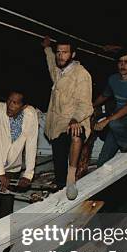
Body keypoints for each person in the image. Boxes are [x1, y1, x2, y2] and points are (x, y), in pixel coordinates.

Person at [41, 36, 93, 200]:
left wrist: (75, 119)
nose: (60, 56)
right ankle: (61, 190)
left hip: (75, 122)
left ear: (73, 54)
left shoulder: (82, 75)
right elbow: (51, 65)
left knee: (76, 135)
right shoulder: (58, 71)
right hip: (57, 125)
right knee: (59, 170)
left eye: (64, 52)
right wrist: (47, 48)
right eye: (58, 52)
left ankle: (72, 177)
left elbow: (85, 104)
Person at [0, 90, 38, 224]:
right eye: (8, 101)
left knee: (7, 204)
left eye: (15, 103)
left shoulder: (31, 114)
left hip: (14, 166)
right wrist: (0, 173)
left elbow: (32, 144)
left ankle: (5, 241)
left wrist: (28, 174)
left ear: (24, 106)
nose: (9, 105)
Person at [93, 49, 127, 167]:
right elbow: (104, 96)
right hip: (117, 123)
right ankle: (123, 144)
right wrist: (91, 106)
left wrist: (107, 120)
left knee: (112, 123)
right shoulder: (113, 79)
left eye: (126, 62)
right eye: (120, 62)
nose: (123, 65)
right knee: (101, 163)